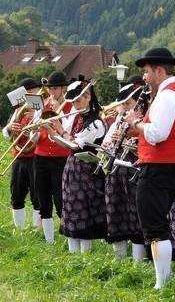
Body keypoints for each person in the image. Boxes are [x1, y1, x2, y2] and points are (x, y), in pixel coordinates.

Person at [123, 47, 175, 290]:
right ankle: (163, 280)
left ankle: (162, 283)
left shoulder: (167, 95)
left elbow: (158, 134)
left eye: (146, 72)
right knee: (156, 224)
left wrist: (136, 122)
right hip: (168, 165)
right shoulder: (174, 93)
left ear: (159, 70)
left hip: (159, 167)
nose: (144, 77)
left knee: (154, 226)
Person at [48, 77, 106, 252]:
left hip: (87, 171)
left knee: (84, 212)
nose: (75, 105)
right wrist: (50, 131)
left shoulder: (96, 122)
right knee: (70, 210)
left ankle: (85, 256)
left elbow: (75, 144)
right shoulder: (75, 117)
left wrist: (59, 129)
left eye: (78, 100)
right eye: (73, 102)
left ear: (88, 97)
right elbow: (64, 143)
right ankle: (74, 256)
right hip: (72, 169)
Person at [102, 80, 147, 262]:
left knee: (135, 213)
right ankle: (119, 259)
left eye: (128, 104)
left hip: (134, 168)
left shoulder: (146, 121)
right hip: (116, 167)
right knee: (115, 210)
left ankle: (138, 262)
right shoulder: (121, 120)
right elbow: (106, 144)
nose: (124, 108)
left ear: (139, 104)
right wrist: (111, 140)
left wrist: (132, 144)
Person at [32, 71, 73, 243]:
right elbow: (34, 129)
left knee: (60, 200)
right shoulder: (43, 105)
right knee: (43, 200)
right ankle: (49, 241)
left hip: (60, 157)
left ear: (63, 88)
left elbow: (70, 133)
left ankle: (67, 238)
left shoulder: (72, 106)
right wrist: (34, 130)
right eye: (49, 89)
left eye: (55, 89)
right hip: (40, 156)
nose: (51, 93)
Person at [1, 78, 42, 229]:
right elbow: (6, 134)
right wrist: (10, 128)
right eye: (26, 94)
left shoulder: (43, 111)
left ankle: (37, 229)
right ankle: (20, 229)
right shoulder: (18, 111)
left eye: (32, 93)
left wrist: (36, 120)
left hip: (36, 157)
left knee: (37, 196)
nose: (29, 98)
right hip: (18, 156)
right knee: (16, 194)